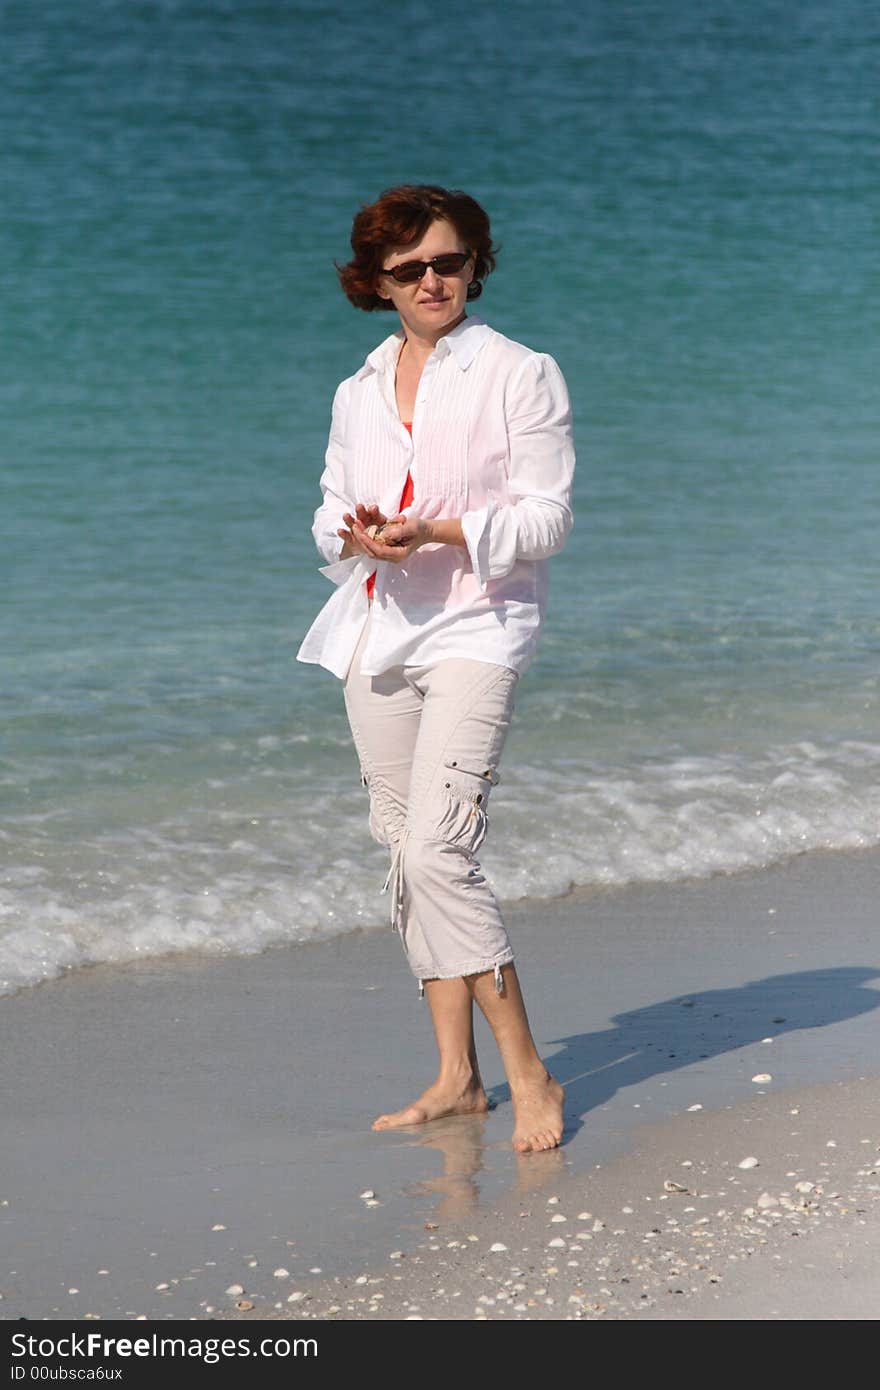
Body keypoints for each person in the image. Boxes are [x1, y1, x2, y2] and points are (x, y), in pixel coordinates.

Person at [297, 185, 574, 1153]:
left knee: (438, 853)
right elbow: (327, 516)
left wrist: (444, 529)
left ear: (474, 265)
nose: (431, 281)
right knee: (402, 851)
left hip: (478, 626)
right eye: (408, 268)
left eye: (448, 262)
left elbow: (548, 519)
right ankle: (457, 1078)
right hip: (377, 633)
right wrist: (357, 539)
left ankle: (528, 1072)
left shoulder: (519, 372)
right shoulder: (357, 389)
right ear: (375, 282)